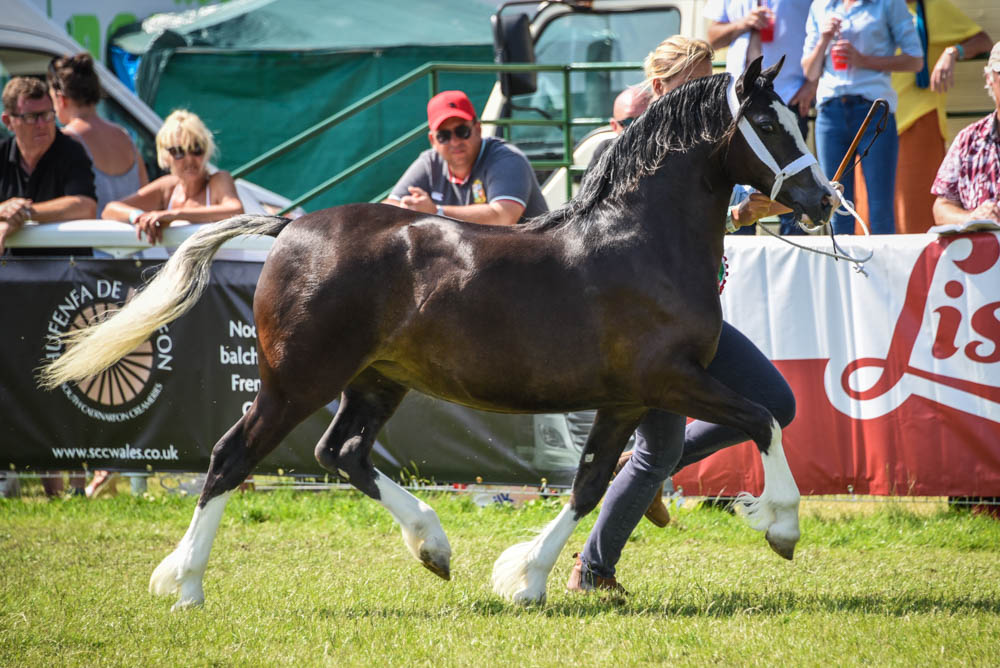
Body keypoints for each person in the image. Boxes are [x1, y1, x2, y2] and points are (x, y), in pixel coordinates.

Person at [566, 38, 795, 595]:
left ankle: (622, 501)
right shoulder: (624, 150)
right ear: (661, 89)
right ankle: (593, 570)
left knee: (776, 404)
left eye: (713, 80)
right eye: (698, 81)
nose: (711, 93)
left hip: (688, 323)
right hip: (636, 331)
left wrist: (753, 208)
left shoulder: (703, 146)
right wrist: (737, 213)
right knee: (660, 449)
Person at [802, 0, 923, 235]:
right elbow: (809, 71)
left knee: (880, 207)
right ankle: (842, 269)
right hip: (830, 113)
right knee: (835, 203)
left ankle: (881, 270)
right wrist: (824, 39)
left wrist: (863, 60)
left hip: (873, 112)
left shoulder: (889, 4)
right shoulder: (820, 5)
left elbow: (915, 59)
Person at [706, 0, 817, 235]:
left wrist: (812, 84)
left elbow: (822, 28)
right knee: (739, 186)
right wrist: (743, 23)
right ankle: (736, 260)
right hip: (737, 106)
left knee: (792, 180)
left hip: (787, 99)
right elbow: (713, 37)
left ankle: (794, 265)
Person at [891, 2, 991, 233]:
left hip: (917, 121)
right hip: (872, 127)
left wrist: (952, 52)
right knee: (871, 218)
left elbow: (982, 40)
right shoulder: (874, 7)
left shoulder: (929, 7)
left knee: (915, 221)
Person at [384, 90, 547, 225]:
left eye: (462, 131)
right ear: (433, 140)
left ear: (478, 129)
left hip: (530, 260)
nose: (454, 141)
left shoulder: (507, 158)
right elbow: (390, 206)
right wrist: (406, 207)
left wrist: (435, 212)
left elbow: (503, 217)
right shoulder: (429, 161)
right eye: (444, 136)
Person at [102, 109, 243, 244]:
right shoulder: (167, 187)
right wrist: (140, 217)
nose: (189, 160)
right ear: (166, 156)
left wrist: (174, 214)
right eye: (178, 151)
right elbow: (109, 210)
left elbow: (235, 210)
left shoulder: (218, 180)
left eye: (196, 149)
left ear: (206, 151)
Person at [0, 76, 97, 254]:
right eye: (31, 117)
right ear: (8, 122)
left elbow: (85, 206)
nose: (42, 125)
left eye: (47, 115)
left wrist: (24, 213)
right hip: (9, 274)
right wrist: (2, 212)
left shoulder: (71, 151)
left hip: (64, 275)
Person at [47, 53, 149, 218]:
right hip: (134, 240)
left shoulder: (65, 141)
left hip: (92, 241)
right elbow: (146, 194)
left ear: (61, 99)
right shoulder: (124, 136)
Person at [930, 41, 1000, 227]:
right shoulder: (968, 139)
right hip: (981, 252)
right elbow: (942, 207)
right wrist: (972, 218)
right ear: (989, 78)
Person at [584, 86, 653, 177]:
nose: (638, 127)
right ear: (614, 126)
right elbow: (590, 189)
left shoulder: (669, 151)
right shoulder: (605, 151)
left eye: (644, 120)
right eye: (629, 122)